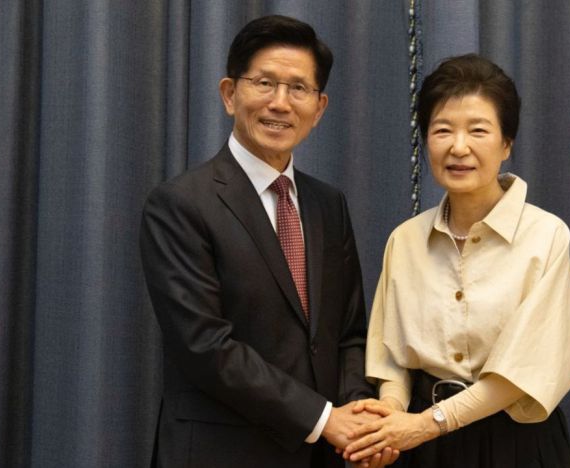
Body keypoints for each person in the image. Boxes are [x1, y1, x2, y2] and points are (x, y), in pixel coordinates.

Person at [140, 15, 396, 468]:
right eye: (264, 83)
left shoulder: (328, 205)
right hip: (221, 454)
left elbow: (348, 333)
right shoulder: (180, 203)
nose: (280, 103)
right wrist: (324, 419)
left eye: (298, 88)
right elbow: (205, 346)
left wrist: (359, 418)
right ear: (229, 94)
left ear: (319, 108)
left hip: (323, 454)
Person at [343, 54, 570, 467]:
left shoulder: (546, 236)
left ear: (506, 144)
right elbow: (391, 357)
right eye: (442, 130)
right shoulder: (405, 240)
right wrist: (390, 415)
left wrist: (426, 424)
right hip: (424, 447)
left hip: (514, 443)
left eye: (478, 130)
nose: (459, 147)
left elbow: (524, 371)